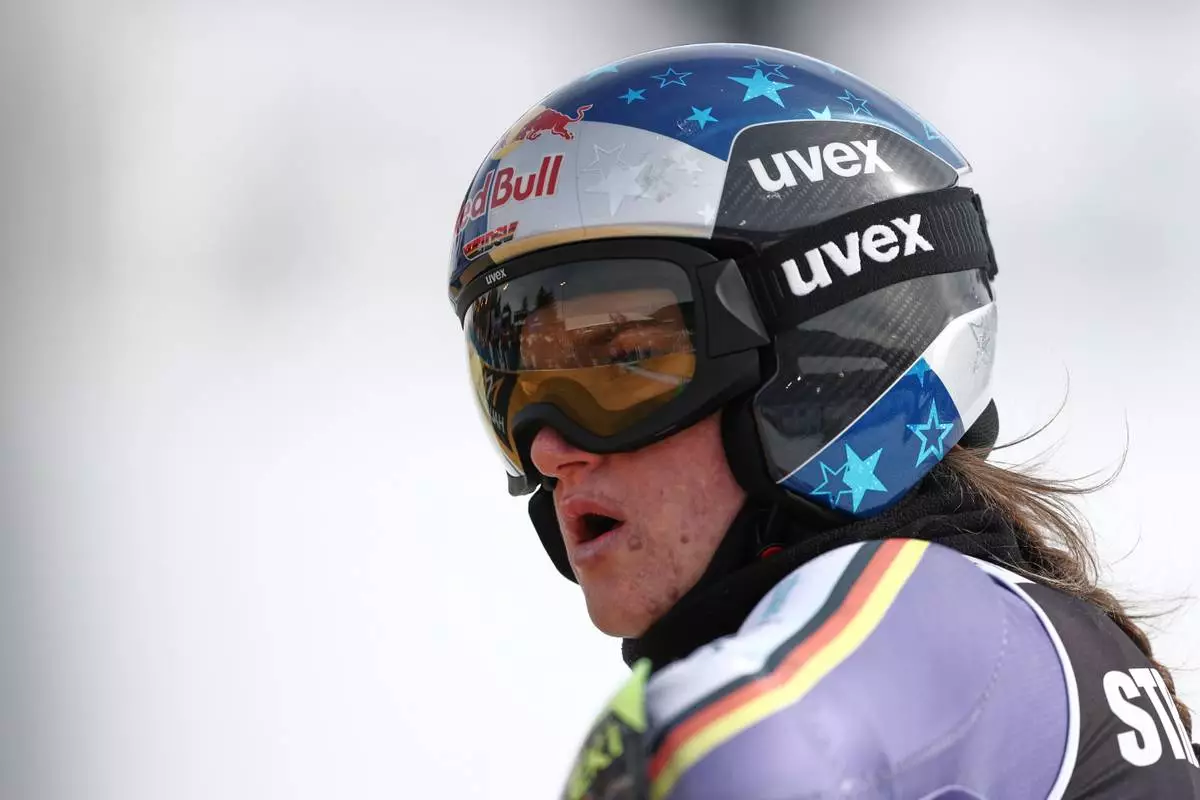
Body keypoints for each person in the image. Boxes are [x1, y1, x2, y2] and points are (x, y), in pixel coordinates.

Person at [445, 43, 1200, 799]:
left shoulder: (940, 622)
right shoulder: (1019, 632)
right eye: (514, 384)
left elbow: (730, 757)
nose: (546, 446)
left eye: (626, 360)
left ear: (821, 371)